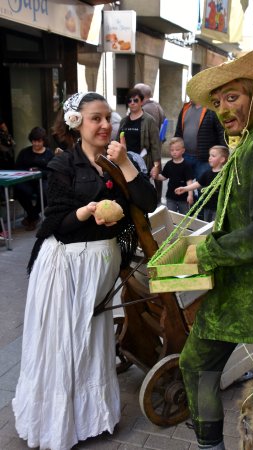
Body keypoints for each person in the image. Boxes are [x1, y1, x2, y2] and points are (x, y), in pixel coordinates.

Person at [12, 92, 157, 450]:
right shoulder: (63, 166)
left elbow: (149, 201)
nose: (105, 124)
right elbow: (56, 224)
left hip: (100, 267)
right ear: (77, 123)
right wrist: (83, 212)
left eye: (108, 117)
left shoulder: (120, 160)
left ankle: (91, 419)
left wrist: (125, 163)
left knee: (91, 342)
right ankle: (57, 426)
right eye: (96, 118)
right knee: (63, 343)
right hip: (66, 267)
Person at [178, 48, 253, 450]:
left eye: (233, 97)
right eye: (217, 102)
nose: (223, 109)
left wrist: (209, 252)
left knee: (196, 365)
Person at [117, 87, 161, 183]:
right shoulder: (124, 121)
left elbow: (155, 145)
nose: (132, 103)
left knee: (141, 190)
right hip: (126, 162)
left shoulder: (149, 120)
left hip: (143, 163)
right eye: (129, 101)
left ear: (141, 102)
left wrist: (156, 166)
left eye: (136, 100)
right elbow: (118, 141)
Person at [175, 145, 229, 221]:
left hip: (219, 207)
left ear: (222, 159)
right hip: (207, 205)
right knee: (206, 224)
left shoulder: (225, 174)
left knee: (215, 226)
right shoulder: (207, 173)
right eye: (209, 155)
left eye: (213, 156)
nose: (209, 158)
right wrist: (185, 188)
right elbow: (198, 183)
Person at [174, 100, 226, 180]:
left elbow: (222, 132)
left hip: (205, 159)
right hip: (185, 156)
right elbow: (179, 131)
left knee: (203, 188)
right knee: (183, 187)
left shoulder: (212, 109)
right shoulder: (185, 108)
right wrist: (175, 150)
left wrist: (223, 153)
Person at [14, 126, 53, 231]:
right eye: (34, 141)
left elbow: (52, 171)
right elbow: (17, 167)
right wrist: (28, 171)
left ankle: (32, 216)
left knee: (46, 192)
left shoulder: (49, 154)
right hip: (27, 180)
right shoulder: (24, 152)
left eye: (39, 141)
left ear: (44, 141)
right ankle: (34, 216)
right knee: (18, 189)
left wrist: (40, 172)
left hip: (43, 180)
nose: (36, 144)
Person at [134, 83, 166, 203]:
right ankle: (157, 199)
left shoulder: (144, 110)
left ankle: (148, 201)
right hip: (156, 149)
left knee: (144, 177)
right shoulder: (158, 107)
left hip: (145, 152)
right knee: (157, 175)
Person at [156, 137, 194, 214]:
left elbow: (189, 182)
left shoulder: (187, 165)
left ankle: (184, 227)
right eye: (172, 150)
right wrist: (156, 175)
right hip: (170, 197)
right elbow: (163, 177)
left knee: (184, 217)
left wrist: (190, 195)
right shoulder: (168, 164)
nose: (174, 152)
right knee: (171, 216)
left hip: (183, 198)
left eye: (177, 150)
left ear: (183, 150)